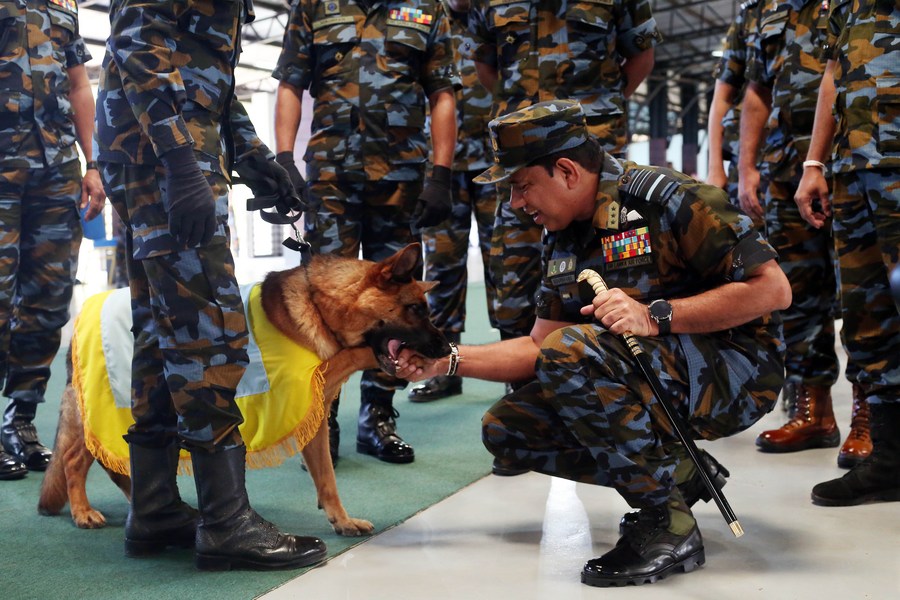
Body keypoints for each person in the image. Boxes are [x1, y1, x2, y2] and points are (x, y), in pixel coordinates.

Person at [396, 100, 792, 586]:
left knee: (575, 350)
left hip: (738, 372)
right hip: (654, 372)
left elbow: (773, 289)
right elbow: (539, 346)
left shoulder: (670, 199)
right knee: (508, 428)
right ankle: (677, 473)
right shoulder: (562, 235)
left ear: (564, 171)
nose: (516, 203)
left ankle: (669, 524)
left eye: (522, 186)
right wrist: (447, 361)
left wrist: (656, 316)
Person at [95, 0, 326, 570]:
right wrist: (178, 161)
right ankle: (226, 522)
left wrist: (254, 161)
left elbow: (207, 80)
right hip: (161, 157)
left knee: (160, 326)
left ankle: (154, 509)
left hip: (168, 150)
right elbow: (137, 49)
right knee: (208, 327)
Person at [273, 0, 460, 465]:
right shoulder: (312, 6)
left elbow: (442, 93)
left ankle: (378, 417)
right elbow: (290, 83)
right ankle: (323, 419)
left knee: (397, 307)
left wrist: (440, 173)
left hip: (401, 181)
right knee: (325, 306)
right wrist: (282, 158)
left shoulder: (426, 8)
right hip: (331, 179)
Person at [467, 0, 662, 371]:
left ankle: (604, 381)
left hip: (588, 158)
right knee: (513, 280)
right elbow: (485, 66)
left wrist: (598, 108)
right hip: (522, 162)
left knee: (611, 279)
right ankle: (523, 387)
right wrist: (523, 116)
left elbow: (642, 57)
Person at [737, 0, 868, 468]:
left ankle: (869, 414)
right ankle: (815, 412)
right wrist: (746, 166)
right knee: (796, 294)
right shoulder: (772, 8)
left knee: (862, 293)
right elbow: (756, 90)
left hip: (857, 157)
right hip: (784, 169)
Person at [794, 0, 900, 506]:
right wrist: (815, 162)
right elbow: (833, 72)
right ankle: (892, 461)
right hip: (853, 171)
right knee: (866, 317)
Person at [0, 0, 106, 480]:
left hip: (56, 171)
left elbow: (80, 84)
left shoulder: (63, 4)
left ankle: (19, 421)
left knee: (48, 299)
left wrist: (94, 162)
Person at [408, 0, 500, 403]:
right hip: (442, 167)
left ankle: (519, 365)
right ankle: (445, 365)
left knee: (507, 266)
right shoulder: (424, 17)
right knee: (442, 267)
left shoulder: (497, 15)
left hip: (499, 162)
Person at [706, 0, 762, 214]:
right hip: (749, 161)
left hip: (818, 156)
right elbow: (722, 97)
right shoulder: (753, 14)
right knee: (750, 242)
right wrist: (715, 168)